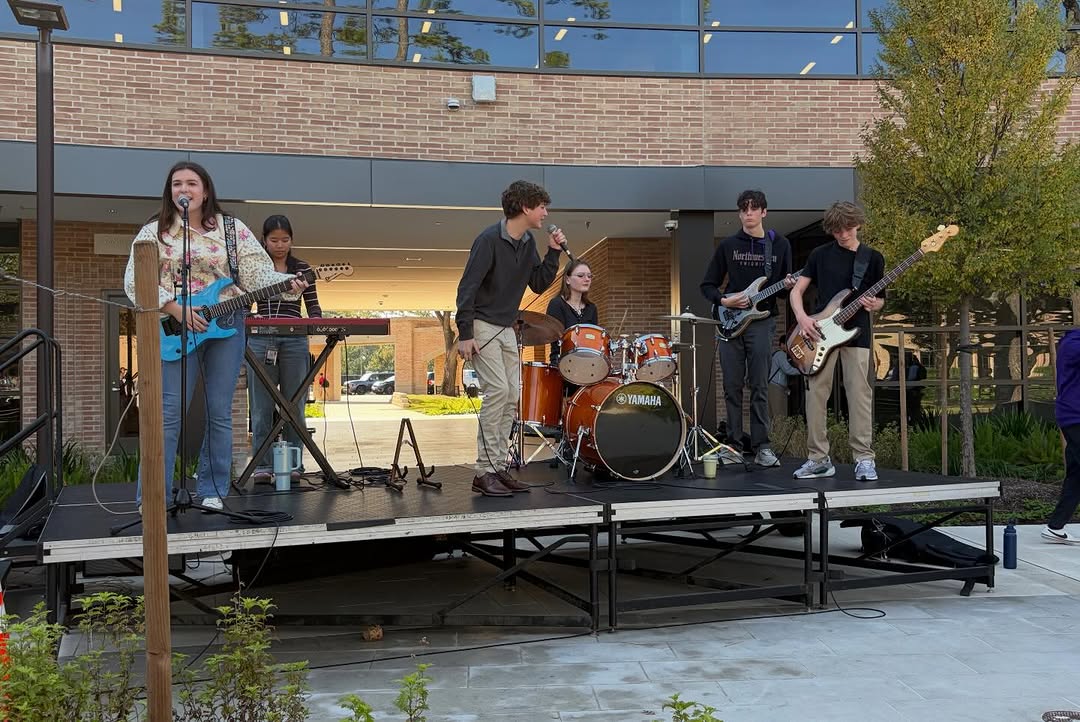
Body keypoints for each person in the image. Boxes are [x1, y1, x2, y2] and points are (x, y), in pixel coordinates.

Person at [123, 161, 306, 510]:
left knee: (219, 411)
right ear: (170, 192)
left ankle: (212, 490)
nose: (184, 189)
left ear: (205, 191)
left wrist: (288, 285)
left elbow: (257, 275)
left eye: (192, 183)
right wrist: (176, 309)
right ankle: (154, 496)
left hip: (226, 325)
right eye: (177, 184)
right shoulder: (154, 231)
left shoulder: (232, 230)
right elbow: (134, 280)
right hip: (175, 326)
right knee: (168, 413)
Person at [456, 180, 563, 497]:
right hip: (482, 324)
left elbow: (539, 284)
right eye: (542, 206)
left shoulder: (528, 241)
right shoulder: (489, 240)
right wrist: (465, 333)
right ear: (526, 207)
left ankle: (498, 467)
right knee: (498, 391)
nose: (546, 212)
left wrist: (553, 252)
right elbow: (467, 288)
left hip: (506, 325)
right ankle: (483, 471)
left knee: (511, 393)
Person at [788, 201, 884, 481]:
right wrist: (803, 318)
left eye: (848, 228)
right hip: (820, 333)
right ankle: (817, 458)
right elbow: (797, 291)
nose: (843, 234)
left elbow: (879, 301)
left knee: (859, 395)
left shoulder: (873, 258)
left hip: (858, 334)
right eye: (837, 230)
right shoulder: (819, 254)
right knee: (816, 395)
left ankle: (864, 459)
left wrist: (875, 305)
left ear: (858, 224)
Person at [700, 189, 795, 467]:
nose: (748, 213)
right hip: (730, 321)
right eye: (744, 209)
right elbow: (707, 285)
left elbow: (782, 291)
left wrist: (789, 285)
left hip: (762, 322)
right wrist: (724, 299)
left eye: (754, 208)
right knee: (731, 386)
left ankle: (762, 446)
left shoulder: (780, 245)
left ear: (764, 212)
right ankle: (732, 445)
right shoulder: (729, 245)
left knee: (759, 386)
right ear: (739, 213)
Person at [247, 215, 322, 485]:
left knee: (295, 406)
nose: (280, 245)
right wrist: (249, 318)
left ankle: (294, 464)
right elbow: (244, 302)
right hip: (260, 339)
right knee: (260, 407)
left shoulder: (301, 268)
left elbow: (313, 306)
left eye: (285, 240)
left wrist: (316, 322)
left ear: (292, 240)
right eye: (274, 240)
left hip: (294, 340)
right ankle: (261, 465)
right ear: (264, 241)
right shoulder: (255, 267)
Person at [1042, 326, 1080, 543]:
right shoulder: (1073, 344)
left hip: (1072, 415)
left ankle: (1055, 526)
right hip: (1076, 416)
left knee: (1077, 475)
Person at [545, 259, 598, 366]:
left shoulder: (591, 308)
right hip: (562, 364)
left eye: (589, 276)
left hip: (587, 364)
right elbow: (555, 338)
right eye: (581, 276)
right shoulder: (557, 304)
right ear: (567, 279)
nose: (587, 279)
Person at [768, 339, 801, 420]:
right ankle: (780, 433)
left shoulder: (774, 354)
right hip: (776, 387)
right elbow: (788, 369)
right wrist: (802, 371)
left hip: (771, 385)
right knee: (780, 414)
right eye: (788, 344)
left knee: (771, 414)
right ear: (782, 344)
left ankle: (771, 433)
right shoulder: (781, 354)